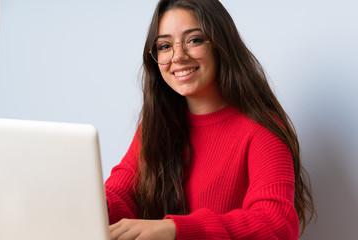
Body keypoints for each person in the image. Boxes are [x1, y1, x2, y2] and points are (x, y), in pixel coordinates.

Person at [105, 0, 315, 239]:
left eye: (194, 40)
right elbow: (121, 195)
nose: (178, 56)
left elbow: (277, 224)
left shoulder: (261, 129)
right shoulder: (157, 125)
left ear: (220, 44)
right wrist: (93, 205)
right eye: (164, 45)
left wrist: (176, 229)